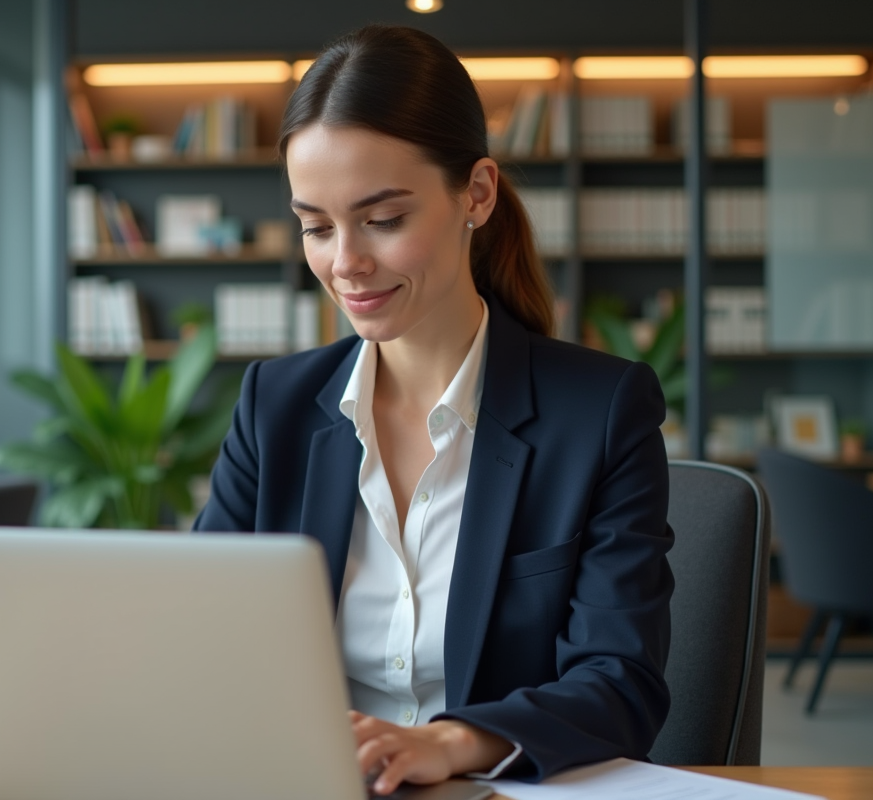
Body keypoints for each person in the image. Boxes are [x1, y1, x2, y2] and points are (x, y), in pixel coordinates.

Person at [194, 24, 673, 791]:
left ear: (475, 194)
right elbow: (200, 638)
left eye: (383, 220)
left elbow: (619, 684)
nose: (344, 262)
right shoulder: (272, 407)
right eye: (316, 226)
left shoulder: (602, 412)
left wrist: (451, 743)